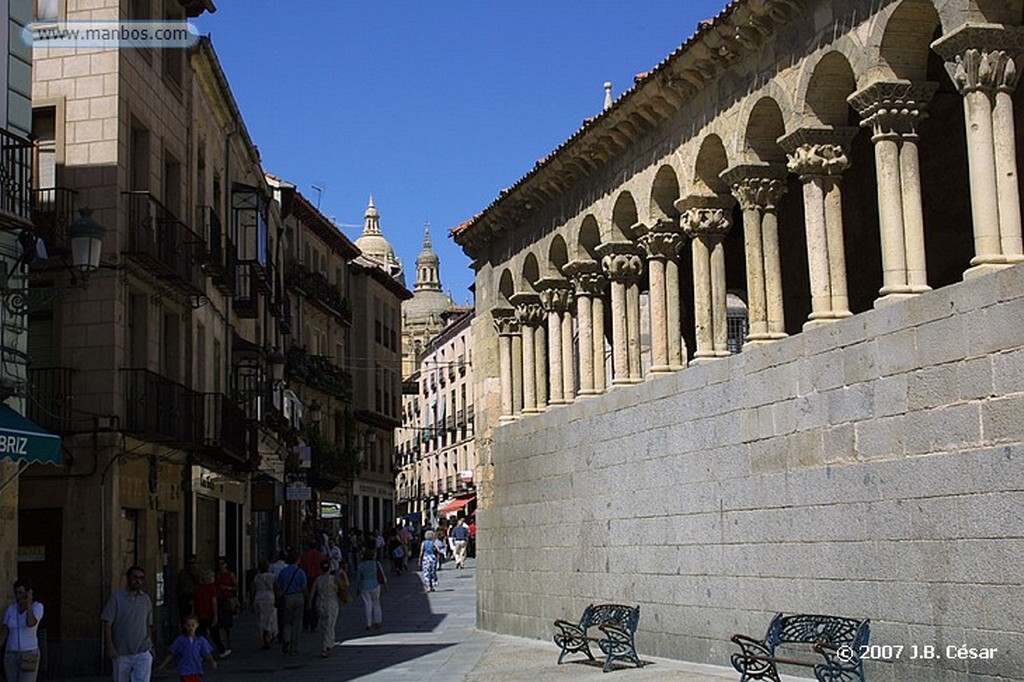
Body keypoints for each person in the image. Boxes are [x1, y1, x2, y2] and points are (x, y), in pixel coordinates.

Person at [101, 566, 154, 682]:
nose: (138, 580)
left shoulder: (146, 599)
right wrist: (110, 646)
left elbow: (148, 624)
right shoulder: (117, 598)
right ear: (128, 578)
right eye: (135, 577)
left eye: (141, 578)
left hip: (142, 650)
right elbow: (107, 623)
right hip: (121, 652)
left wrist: (151, 645)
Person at [1, 579, 43, 682]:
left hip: (29, 653)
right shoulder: (11, 609)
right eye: (16, 593)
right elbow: (4, 631)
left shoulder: (37, 607)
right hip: (11, 653)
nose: (18, 596)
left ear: (28, 593)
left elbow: (31, 623)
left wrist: (28, 604)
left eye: (20, 593)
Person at [308, 559, 349, 657]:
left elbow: (312, 593)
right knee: (330, 625)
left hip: (320, 603)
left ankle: (328, 643)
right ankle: (326, 646)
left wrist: (309, 604)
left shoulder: (318, 579)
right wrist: (343, 574)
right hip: (332, 603)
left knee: (324, 625)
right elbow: (346, 585)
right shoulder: (334, 579)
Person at [157, 615, 216, 682]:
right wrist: (163, 664)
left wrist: (212, 661)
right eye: (188, 626)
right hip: (184, 669)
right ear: (185, 626)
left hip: (196, 669)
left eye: (193, 625)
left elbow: (206, 652)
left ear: (197, 625)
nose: (190, 628)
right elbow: (172, 653)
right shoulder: (180, 640)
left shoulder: (201, 640)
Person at [274, 552, 307, 656]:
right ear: (297, 560)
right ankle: (294, 648)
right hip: (298, 596)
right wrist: (307, 599)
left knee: (287, 621)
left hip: (287, 597)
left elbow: (278, 586)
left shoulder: (283, 572)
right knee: (297, 623)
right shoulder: (300, 572)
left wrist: (278, 598)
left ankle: (286, 638)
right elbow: (304, 587)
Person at [191, 571, 224, 658]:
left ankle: (200, 652)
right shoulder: (211, 588)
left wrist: (193, 614)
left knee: (201, 635)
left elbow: (194, 603)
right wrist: (215, 615)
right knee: (215, 634)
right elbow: (213, 602)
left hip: (199, 615)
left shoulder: (197, 589)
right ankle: (221, 650)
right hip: (209, 614)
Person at [297, 541, 325, 632]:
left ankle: (306, 624)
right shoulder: (320, 555)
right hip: (317, 579)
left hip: (306, 579)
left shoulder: (304, 556)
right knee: (315, 602)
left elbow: (301, 568)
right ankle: (314, 624)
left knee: (307, 602)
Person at [354, 548, 384, 631]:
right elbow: (381, 574)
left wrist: (358, 588)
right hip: (375, 584)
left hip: (364, 586)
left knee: (367, 604)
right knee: (376, 603)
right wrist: (385, 584)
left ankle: (368, 623)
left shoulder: (361, 565)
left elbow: (358, 578)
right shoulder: (376, 564)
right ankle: (377, 621)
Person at [249, 561, 277, 650]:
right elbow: (276, 587)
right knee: (270, 618)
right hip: (269, 597)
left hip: (259, 597)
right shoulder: (272, 576)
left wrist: (251, 601)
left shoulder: (257, 577)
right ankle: (269, 634)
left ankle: (265, 636)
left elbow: (252, 589)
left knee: (261, 618)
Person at [213, 557, 237, 656]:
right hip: (219, 600)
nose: (221, 566)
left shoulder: (230, 575)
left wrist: (227, 588)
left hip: (227, 600)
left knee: (226, 624)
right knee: (220, 624)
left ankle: (227, 642)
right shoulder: (216, 575)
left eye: (222, 563)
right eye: (219, 564)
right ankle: (223, 643)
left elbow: (236, 587)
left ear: (226, 564)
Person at [176, 556, 199, 625]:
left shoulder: (197, 573)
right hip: (184, 596)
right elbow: (179, 585)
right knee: (184, 617)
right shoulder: (182, 573)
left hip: (194, 596)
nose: (191, 565)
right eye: (190, 563)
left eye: (193, 563)